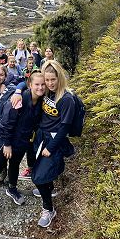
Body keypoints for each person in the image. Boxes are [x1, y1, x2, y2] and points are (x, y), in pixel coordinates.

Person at [0, 71, 46, 218]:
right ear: (30, 85)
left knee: (14, 164)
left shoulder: (41, 101)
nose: (40, 87)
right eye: (37, 84)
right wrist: (6, 144)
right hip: (3, 138)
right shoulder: (19, 99)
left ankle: (12, 188)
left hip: (21, 140)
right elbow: (6, 122)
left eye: (43, 84)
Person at [31, 60, 75, 228]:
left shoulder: (66, 99)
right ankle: (48, 189)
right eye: (47, 80)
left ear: (60, 78)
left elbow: (65, 127)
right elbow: (28, 82)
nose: (49, 83)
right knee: (37, 169)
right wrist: (19, 90)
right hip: (41, 136)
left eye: (52, 80)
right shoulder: (48, 92)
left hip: (54, 141)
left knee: (38, 177)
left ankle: (48, 209)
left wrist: (51, 147)